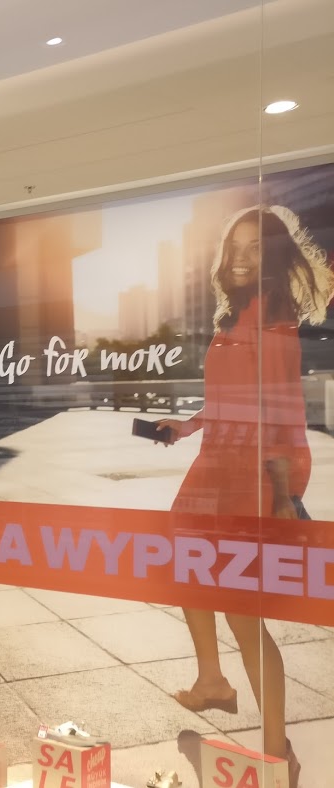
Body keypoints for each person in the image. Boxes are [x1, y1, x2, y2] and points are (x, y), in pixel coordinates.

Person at [156, 205, 333, 787]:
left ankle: (277, 750)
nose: (240, 255)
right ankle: (212, 680)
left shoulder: (273, 319)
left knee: (242, 611)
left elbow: (279, 409)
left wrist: (281, 492)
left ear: (274, 258)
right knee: (187, 565)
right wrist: (187, 426)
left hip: (258, 469)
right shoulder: (236, 316)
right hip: (219, 460)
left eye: (255, 247)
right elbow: (232, 399)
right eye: (235, 245)